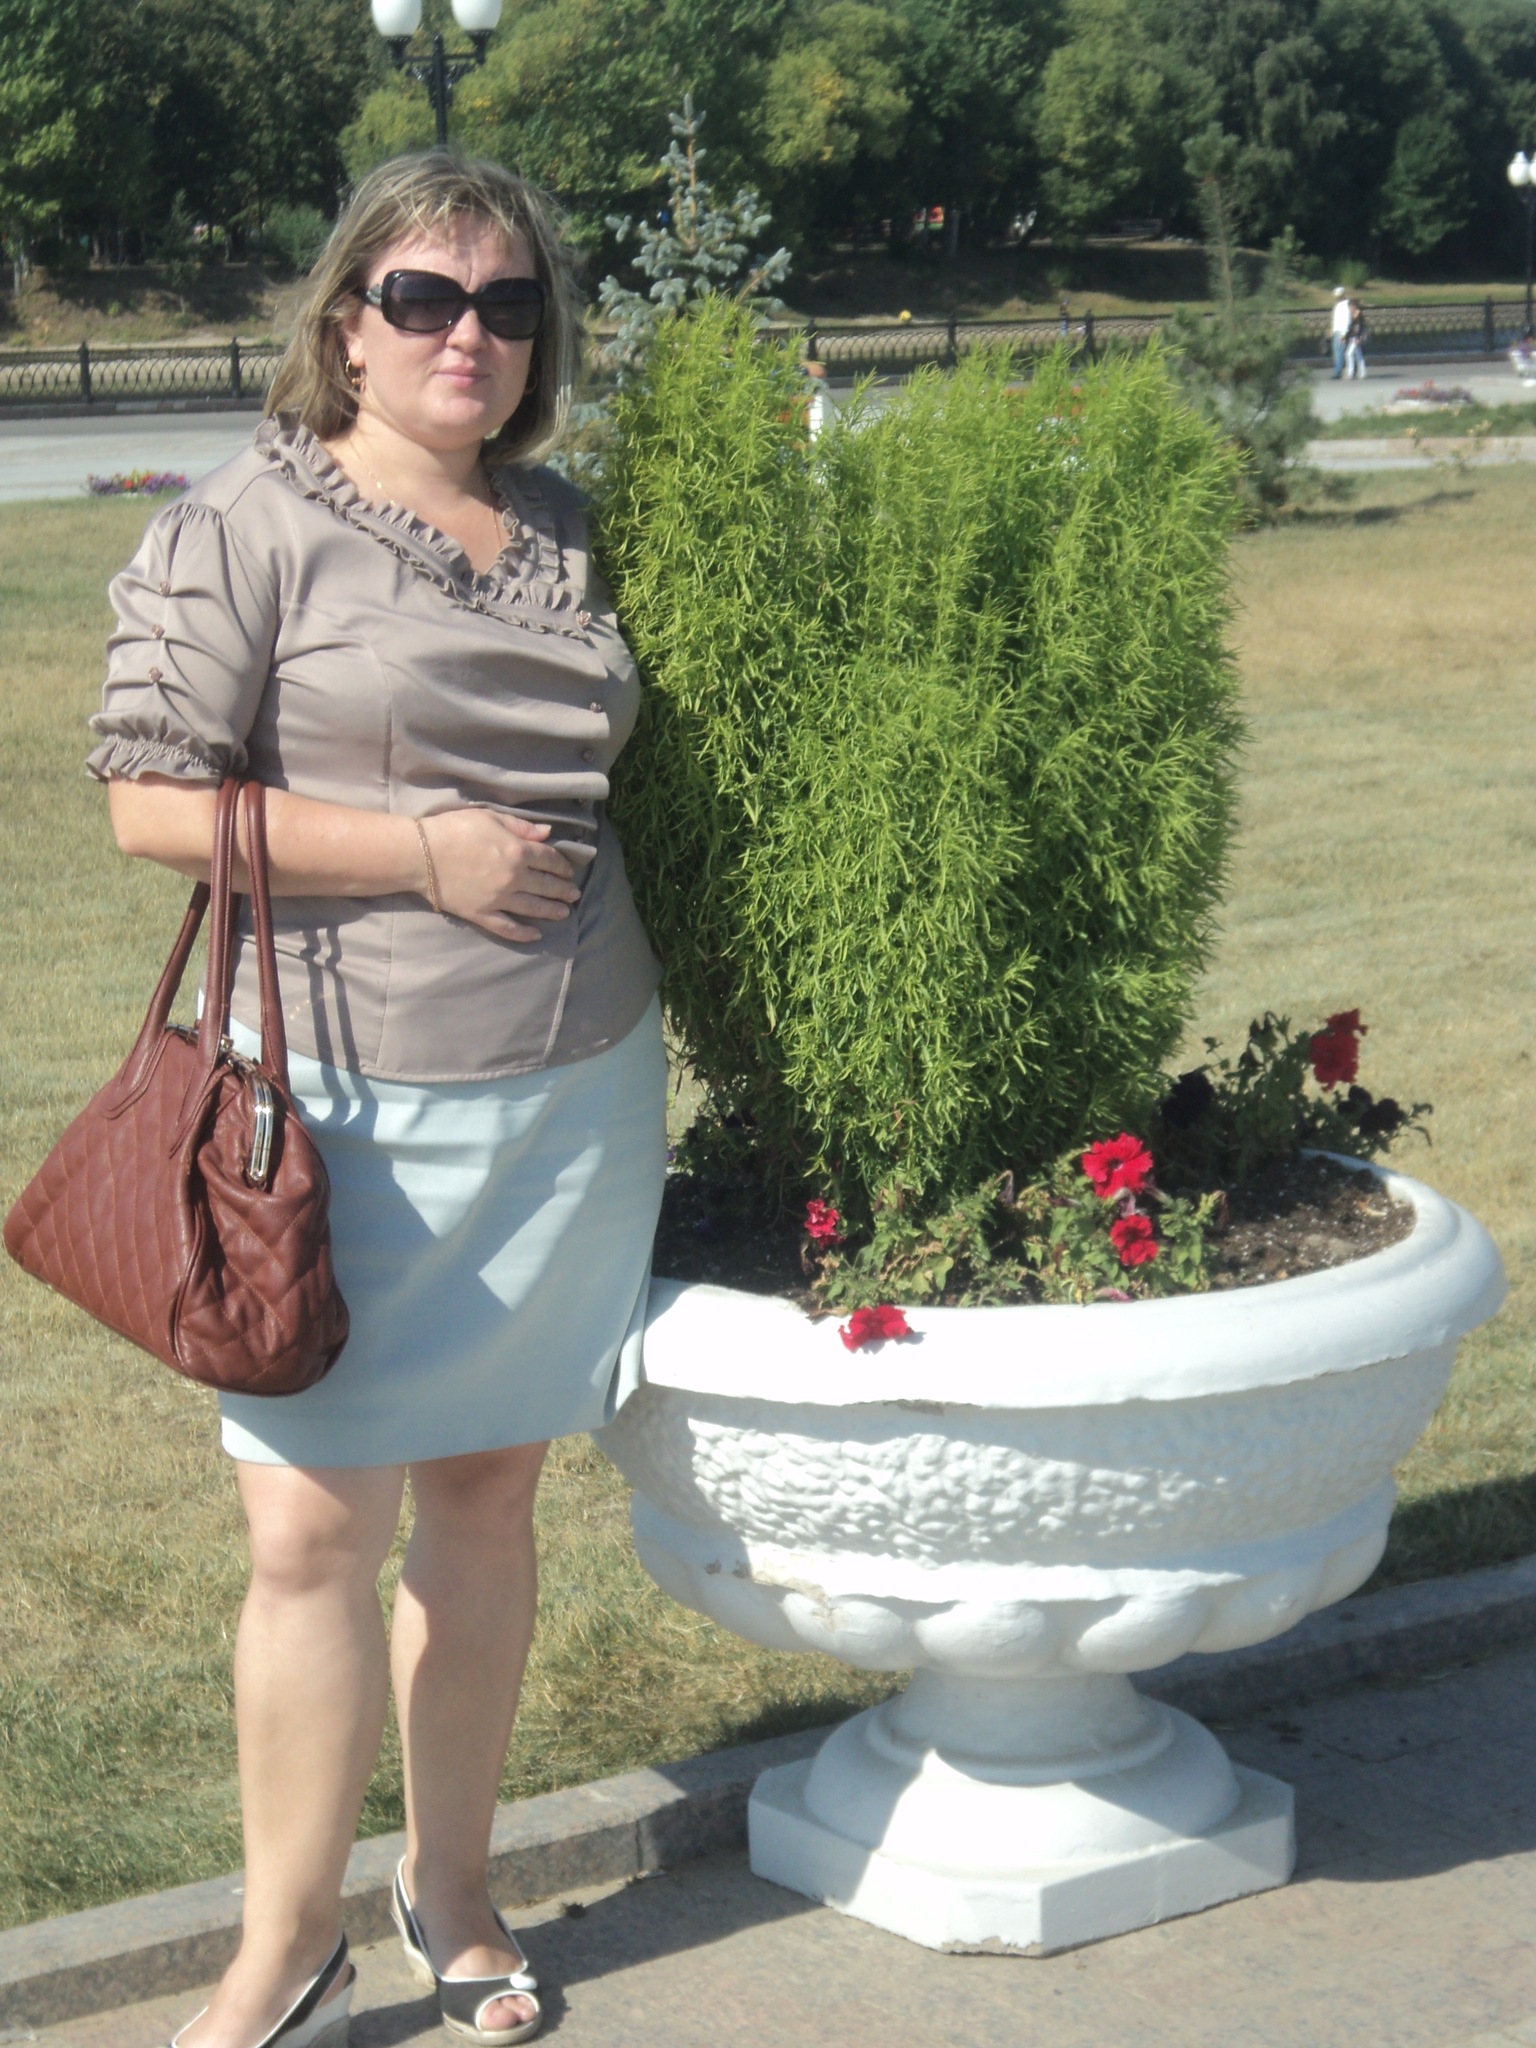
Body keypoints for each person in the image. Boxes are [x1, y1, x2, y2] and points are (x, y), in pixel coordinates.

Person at [88, 151, 668, 2048]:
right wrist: (421, 850)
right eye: (424, 298)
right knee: (308, 1535)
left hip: (572, 1088)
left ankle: (453, 1885)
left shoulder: (563, 522)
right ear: (348, 321)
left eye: (506, 304)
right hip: (337, 1111)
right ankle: (282, 1945)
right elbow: (150, 804)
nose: (466, 336)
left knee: (488, 1498)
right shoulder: (247, 522)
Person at [1345, 297, 1369, 380]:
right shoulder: (1352, 315)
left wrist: (1359, 338)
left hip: (1356, 338)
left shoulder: (1359, 315)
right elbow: (1351, 328)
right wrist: (1346, 336)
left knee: (1349, 354)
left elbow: (1361, 328)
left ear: (1354, 306)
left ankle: (1350, 373)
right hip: (1353, 337)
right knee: (1359, 355)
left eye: (1350, 306)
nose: (1349, 308)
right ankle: (1363, 372)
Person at [1330, 286, 1351, 378]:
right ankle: (1338, 370)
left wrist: (1344, 333)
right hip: (1336, 331)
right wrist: (1332, 330)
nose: (1336, 297)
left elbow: (1347, 320)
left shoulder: (1346, 305)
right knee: (1336, 352)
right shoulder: (1338, 305)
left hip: (1341, 332)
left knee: (1340, 352)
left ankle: (1337, 372)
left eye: (1338, 296)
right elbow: (1336, 320)